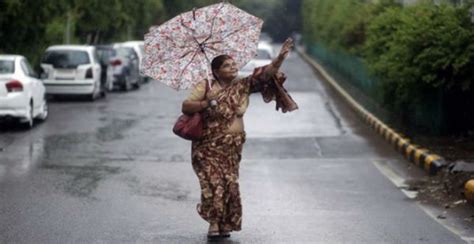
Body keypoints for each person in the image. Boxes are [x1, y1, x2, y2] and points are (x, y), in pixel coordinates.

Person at [181, 38, 298, 239]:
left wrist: (279, 58)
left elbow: (266, 74)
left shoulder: (243, 85)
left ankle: (226, 222)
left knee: (229, 183)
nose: (233, 66)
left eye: (234, 63)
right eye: (227, 65)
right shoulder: (206, 86)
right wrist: (206, 103)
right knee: (213, 183)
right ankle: (214, 223)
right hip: (207, 147)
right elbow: (186, 106)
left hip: (232, 146)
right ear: (216, 71)